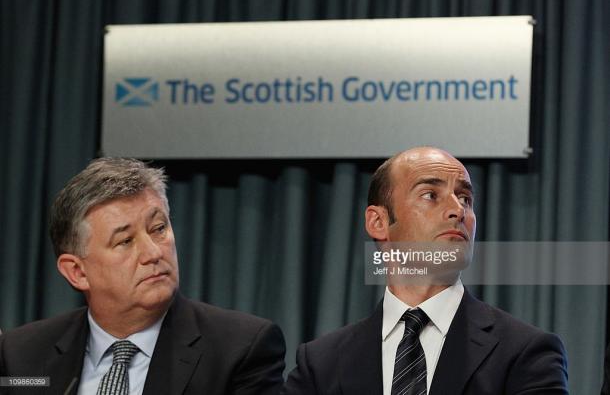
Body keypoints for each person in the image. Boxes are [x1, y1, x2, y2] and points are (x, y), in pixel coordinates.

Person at [282, 147, 568, 394]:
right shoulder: (321, 363)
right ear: (378, 222)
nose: (458, 210)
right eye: (431, 195)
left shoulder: (526, 352)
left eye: (465, 199)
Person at [0, 158, 285, 395]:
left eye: (158, 228)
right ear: (77, 272)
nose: (152, 253)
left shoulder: (240, 350)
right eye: (125, 241)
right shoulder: (22, 357)